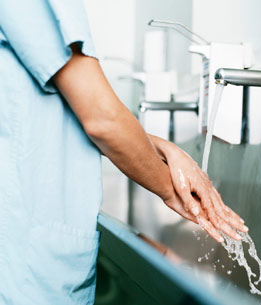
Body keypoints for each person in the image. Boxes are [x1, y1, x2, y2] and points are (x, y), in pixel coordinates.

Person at [0, 1, 247, 304]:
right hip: (24, 262)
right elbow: (100, 119)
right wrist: (174, 192)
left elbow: (63, 110)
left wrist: (161, 146)